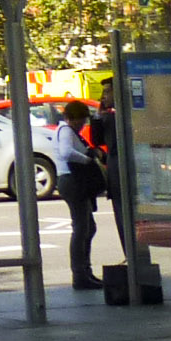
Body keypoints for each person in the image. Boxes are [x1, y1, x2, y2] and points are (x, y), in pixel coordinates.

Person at [57, 101, 108, 290]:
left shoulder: (69, 132)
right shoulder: (66, 132)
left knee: (88, 227)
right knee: (81, 228)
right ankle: (80, 274)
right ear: (69, 118)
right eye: (79, 121)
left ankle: (85, 271)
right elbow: (66, 153)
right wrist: (87, 159)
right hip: (73, 182)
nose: (81, 125)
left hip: (74, 182)